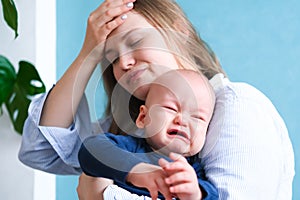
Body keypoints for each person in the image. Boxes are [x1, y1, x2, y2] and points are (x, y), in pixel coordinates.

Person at [18, 0, 295, 199]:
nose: (124, 62)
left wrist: (101, 196)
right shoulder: (134, 131)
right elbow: (42, 151)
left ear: (179, 32)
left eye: (136, 42)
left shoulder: (236, 107)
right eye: (112, 57)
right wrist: (88, 53)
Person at [78, 69, 217, 200]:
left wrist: (194, 194)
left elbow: (213, 195)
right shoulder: (129, 148)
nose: (182, 120)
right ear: (143, 117)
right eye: (170, 108)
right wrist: (136, 170)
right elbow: (92, 149)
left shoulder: (192, 171)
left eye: (198, 118)